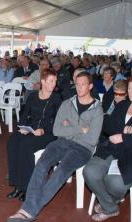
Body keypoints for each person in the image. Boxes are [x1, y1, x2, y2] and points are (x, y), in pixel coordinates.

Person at [7, 71, 103, 222]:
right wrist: (80, 128)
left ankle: (29, 210)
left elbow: (92, 139)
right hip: (62, 142)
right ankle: (28, 207)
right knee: (42, 164)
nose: (79, 88)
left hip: (82, 148)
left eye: (83, 84)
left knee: (62, 170)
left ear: (90, 86)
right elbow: (57, 130)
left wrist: (70, 125)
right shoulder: (67, 103)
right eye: (77, 84)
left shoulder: (97, 109)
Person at [7, 69, 61, 202]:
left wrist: (44, 130)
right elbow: (24, 115)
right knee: (13, 141)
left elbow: (58, 122)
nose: (54, 84)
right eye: (51, 81)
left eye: (55, 81)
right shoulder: (32, 96)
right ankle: (17, 185)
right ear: (43, 82)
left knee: (26, 145)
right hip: (31, 130)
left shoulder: (56, 99)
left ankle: (27, 187)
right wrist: (22, 127)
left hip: (48, 133)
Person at [83, 78, 132, 221]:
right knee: (90, 172)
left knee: (115, 183)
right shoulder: (123, 105)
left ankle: (109, 203)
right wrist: (125, 129)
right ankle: (110, 206)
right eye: (129, 89)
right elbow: (107, 126)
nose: (131, 92)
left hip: (129, 155)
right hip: (110, 149)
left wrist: (124, 138)